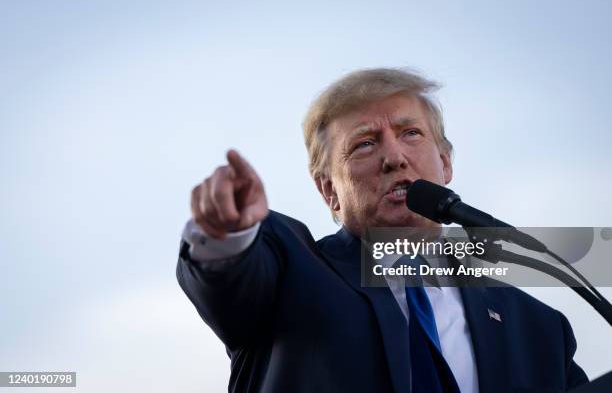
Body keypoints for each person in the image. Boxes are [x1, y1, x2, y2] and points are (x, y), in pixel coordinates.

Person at [176, 68, 588, 392]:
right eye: (365, 144)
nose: (394, 156)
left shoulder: (539, 328)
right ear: (329, 191)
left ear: (445, 164)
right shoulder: (288, 269)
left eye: (411, 133)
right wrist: (227, 232)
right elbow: (231, 277)